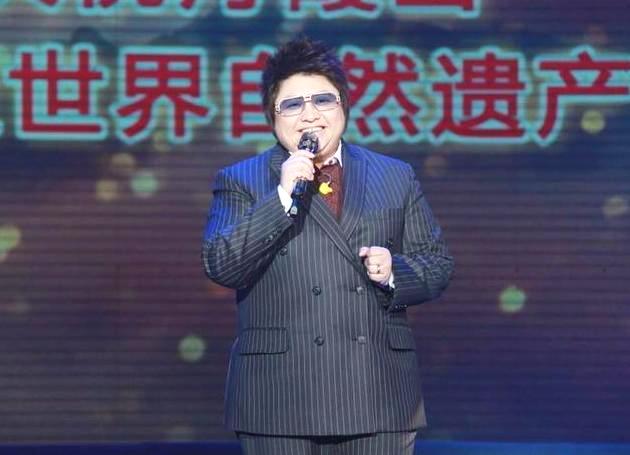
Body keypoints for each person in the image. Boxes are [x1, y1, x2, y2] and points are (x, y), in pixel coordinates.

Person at [201, 36, 454, 455]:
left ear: (344, 106)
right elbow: (221, 264)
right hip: (278, 397)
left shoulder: (394, 175)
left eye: (323, 100)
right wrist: (281, 197)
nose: (310, 115)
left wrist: (395, 272)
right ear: (272, 115)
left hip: (377, 392)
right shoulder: (241, 180)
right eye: (292, 104)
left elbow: (437, 264)